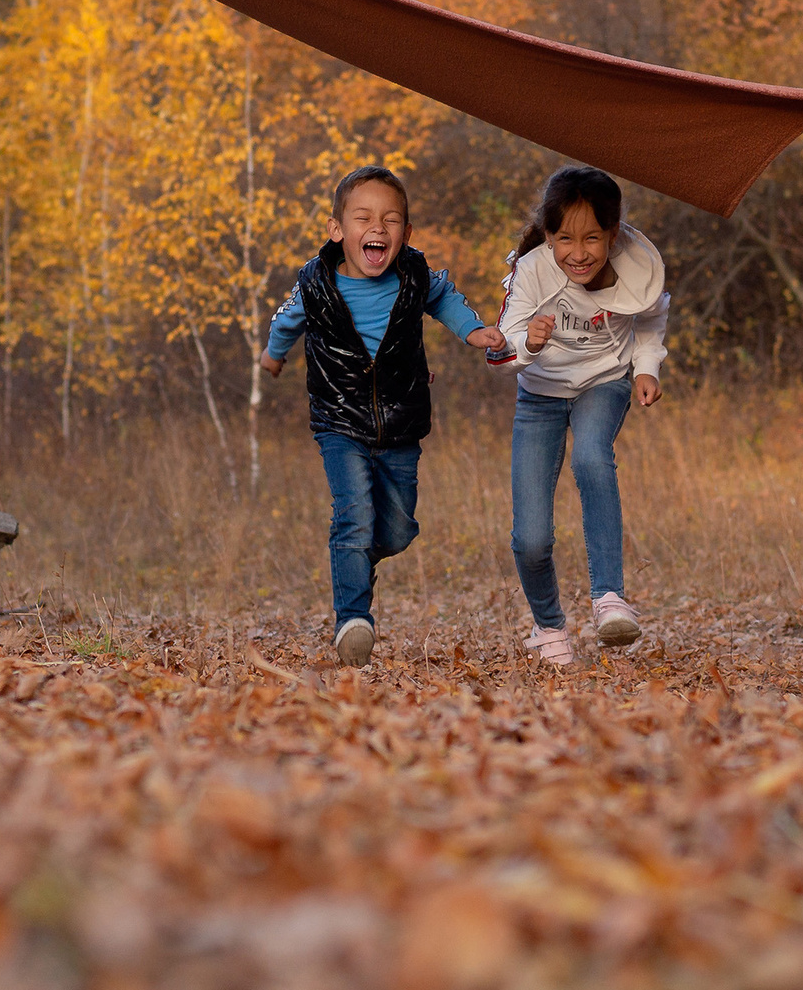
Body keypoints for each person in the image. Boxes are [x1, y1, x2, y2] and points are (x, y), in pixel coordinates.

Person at [260, 167, 507, 666]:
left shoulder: (415, 276)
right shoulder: (316, 285)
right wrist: (274, 355)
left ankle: (355, 563)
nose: (379, 227)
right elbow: (285, 321)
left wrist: (474, 331)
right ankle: (353, 619)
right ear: (337, 230)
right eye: (364, 218)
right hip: (339, 420)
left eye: (391, 220)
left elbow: (445, 299)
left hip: (401, 420)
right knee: (354, 517)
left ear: (406, 234)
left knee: (395, 530)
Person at [488, 167, 669, 667]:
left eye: (592, 238)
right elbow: (502, 347)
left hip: (603, 382)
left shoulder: (637, 267)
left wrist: (645, 368)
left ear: (613, 235)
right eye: (565, 238)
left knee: (592, 459)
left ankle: (609, 599)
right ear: (548, 237)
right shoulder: (532, 272)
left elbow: (652, 314)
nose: (579, 252)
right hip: (540, 394)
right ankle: (549, 628)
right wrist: (531, 341)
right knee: (530, 537)